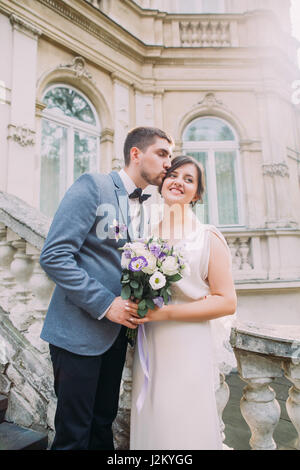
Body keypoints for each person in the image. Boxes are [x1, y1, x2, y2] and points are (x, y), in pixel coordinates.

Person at [39, 126, 173, 450]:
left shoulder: (149, 209)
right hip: (77, 336)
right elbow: (54, 256)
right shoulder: (93, 186)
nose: (168, 163)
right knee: (73, 436)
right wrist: (105, 303)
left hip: (115, 340)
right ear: (136, 153)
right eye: (162, 153)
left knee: (102, 429)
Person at [128, 155, 237, 450]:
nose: (178, 182)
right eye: (173, 175)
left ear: (197, 194)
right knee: (153, 415)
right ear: (162, 182)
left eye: (189, 180)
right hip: (150, 342)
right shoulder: (144, 236)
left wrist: (166, 314)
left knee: (185, 420)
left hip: (188, 342)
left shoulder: (208, 237)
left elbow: (227, 301)